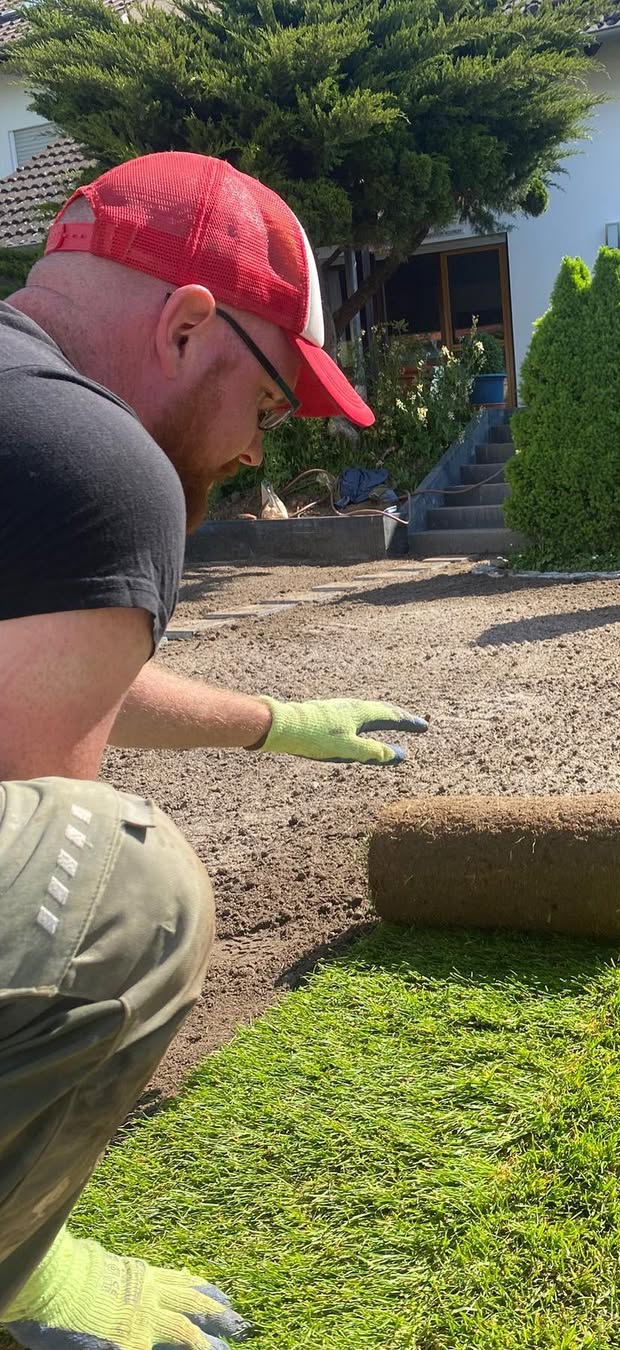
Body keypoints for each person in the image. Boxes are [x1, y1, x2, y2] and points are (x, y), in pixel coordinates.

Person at [0, 151, 430, 1350]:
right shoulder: (96, 463)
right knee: (116, 884)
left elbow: (35, 673)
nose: (258, 446)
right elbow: (30, 803)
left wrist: (275, 721)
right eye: (273, 398)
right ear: (190, 325)